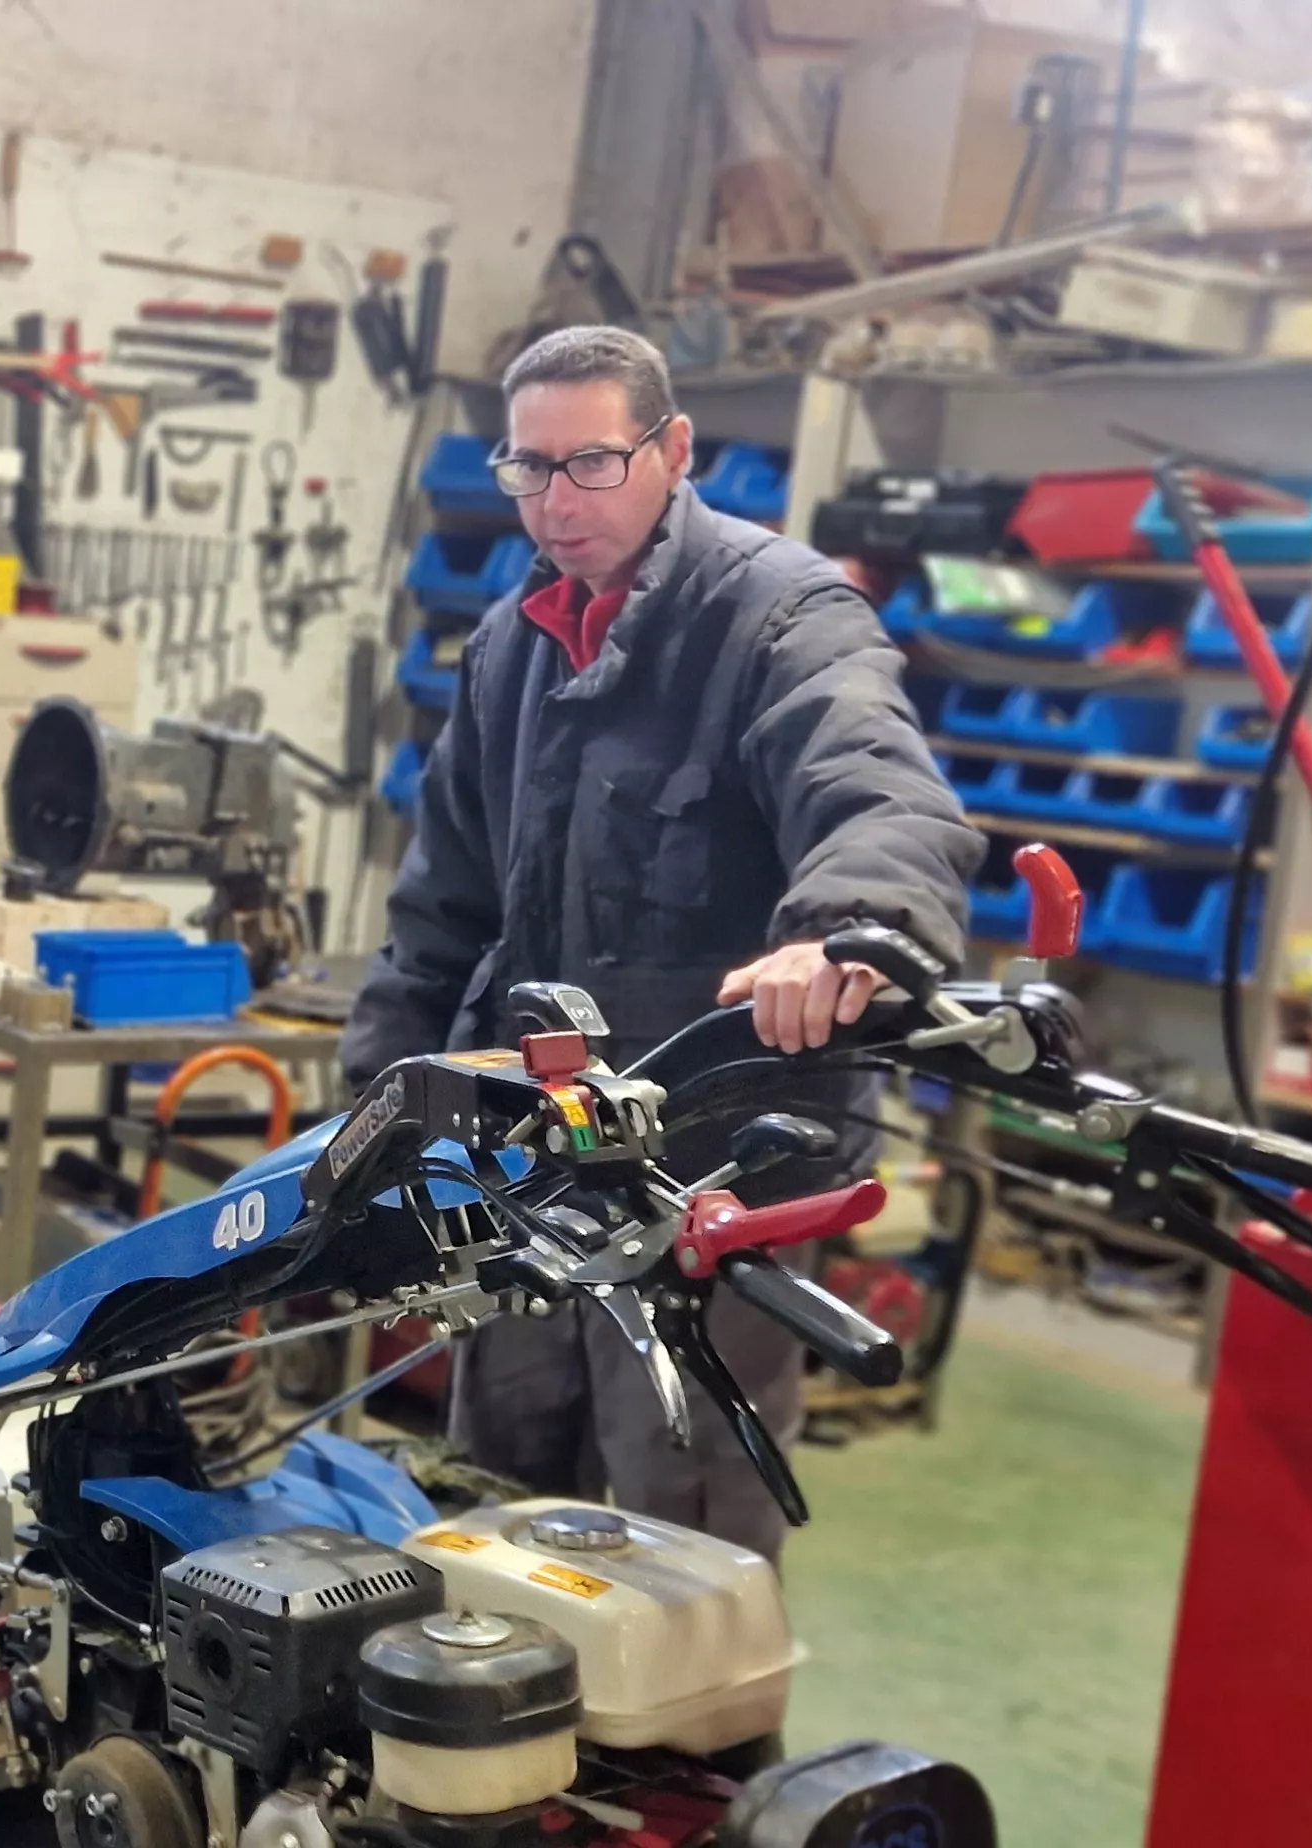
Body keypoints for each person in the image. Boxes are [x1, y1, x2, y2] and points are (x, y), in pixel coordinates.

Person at [342, 325, 977, 1557]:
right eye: (528, 470)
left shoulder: (781, 614)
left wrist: (849, 934)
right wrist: (371, 1113)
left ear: (671, 449)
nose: (553, 502)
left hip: (712, 1169)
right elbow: (440, 912)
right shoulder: (509, 648)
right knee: (502, 1498)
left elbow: (882, 797)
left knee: (679, 1523)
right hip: (531, 1156)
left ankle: (707, 1758)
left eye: (590, 463)